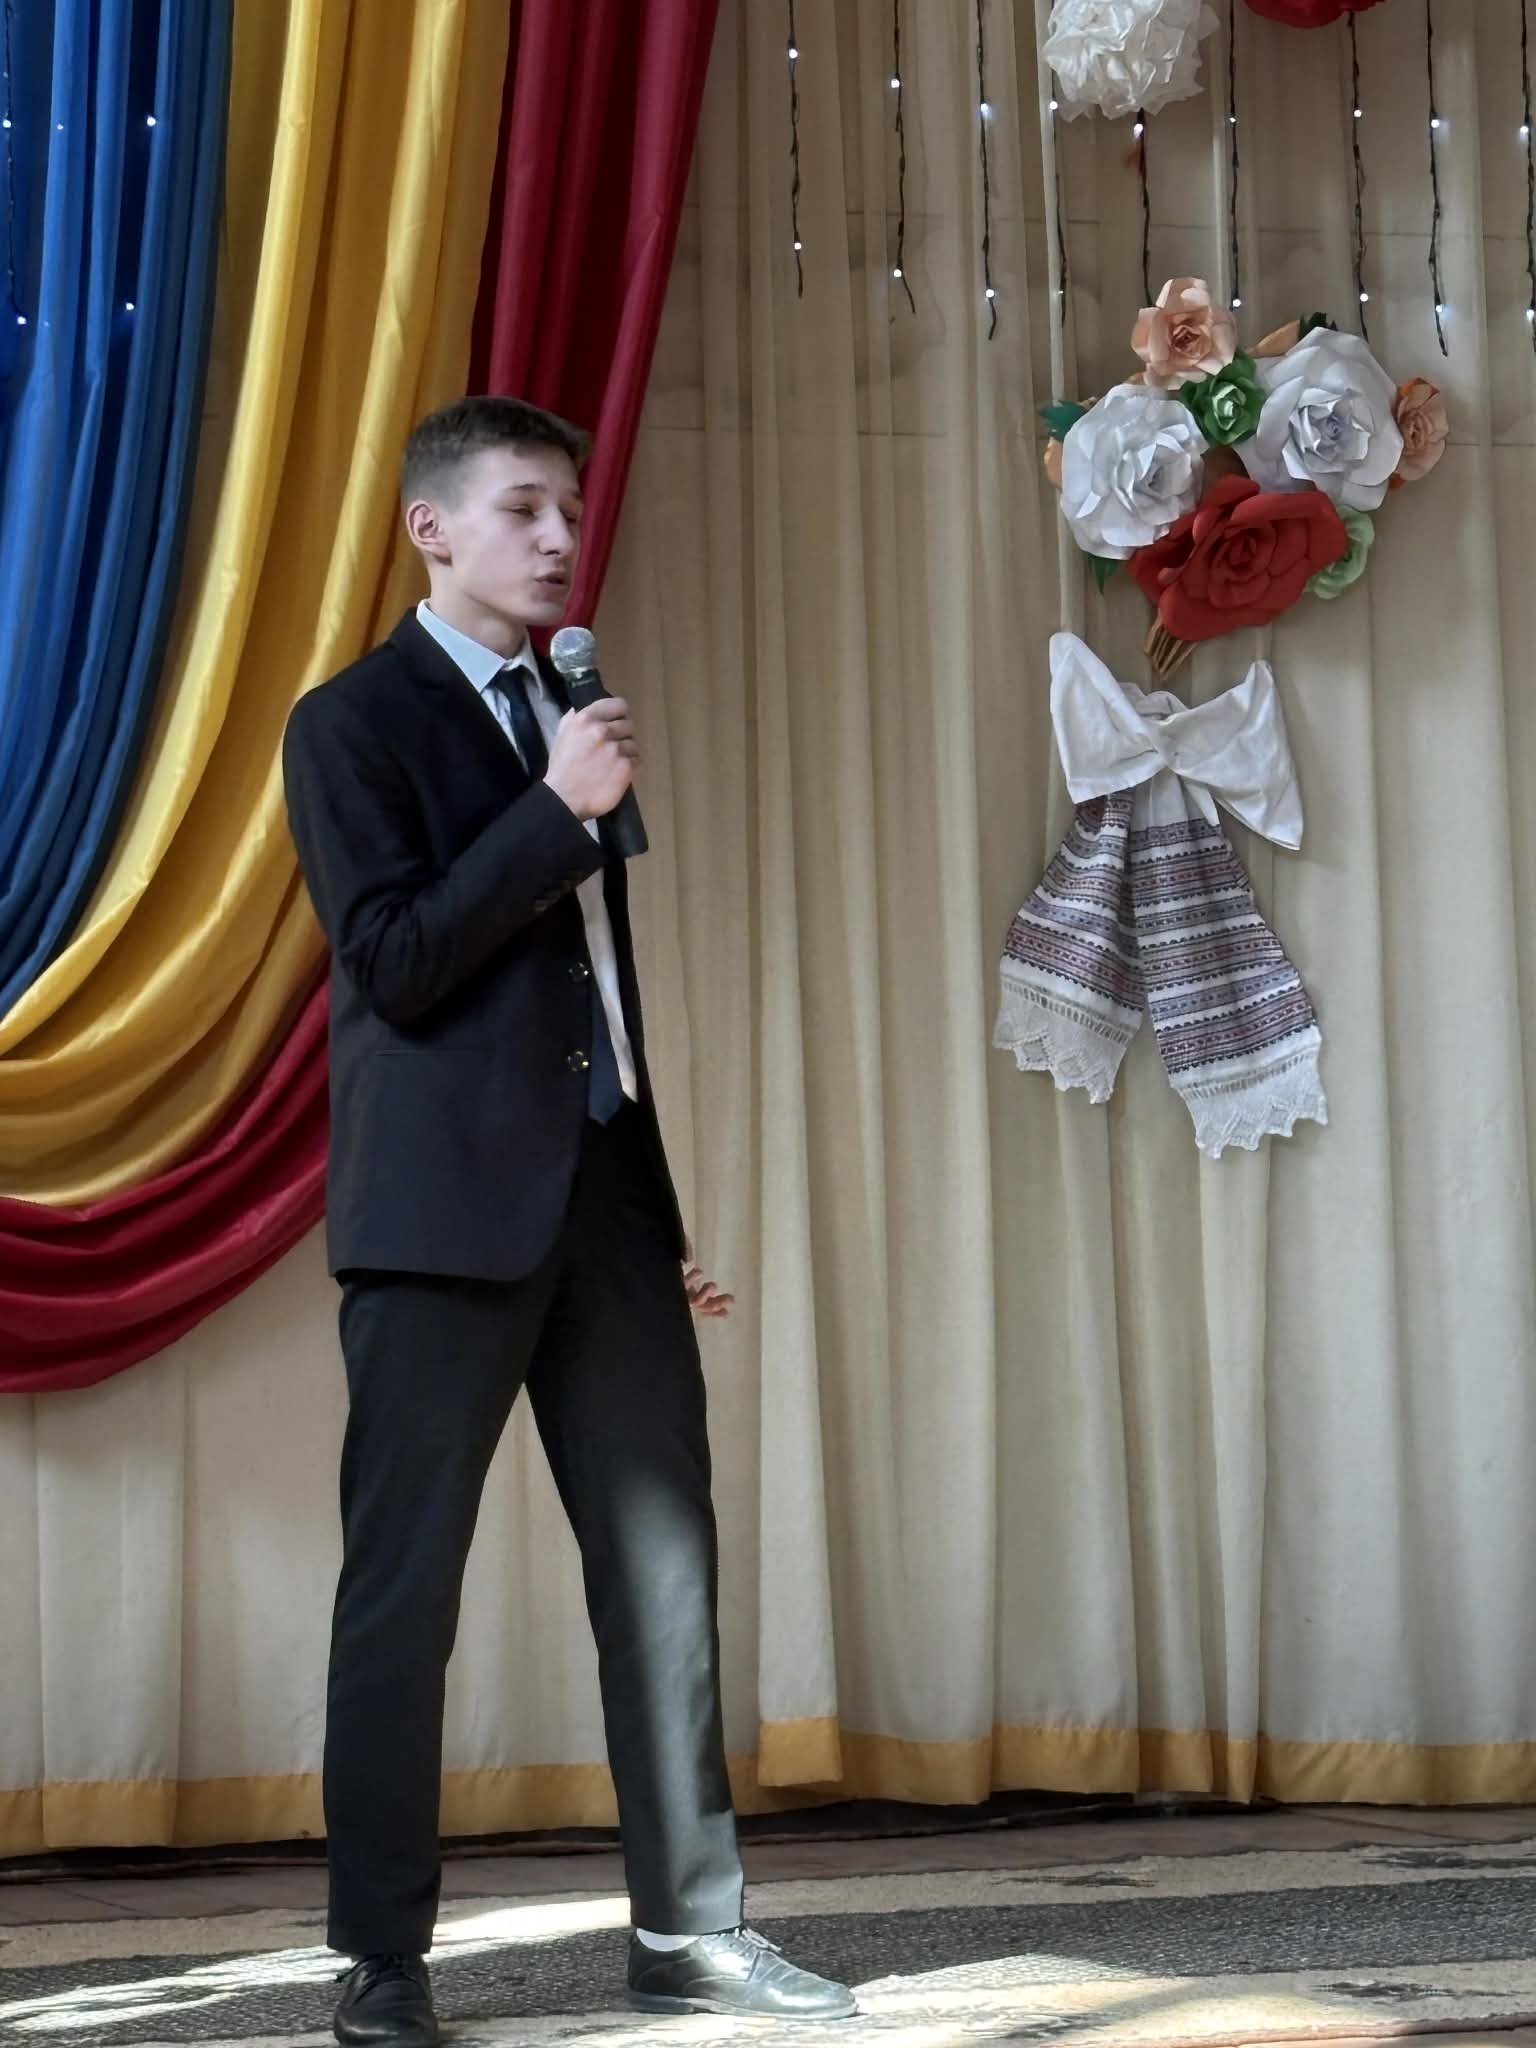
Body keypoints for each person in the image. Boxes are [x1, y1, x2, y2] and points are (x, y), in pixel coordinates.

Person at [282, 395, 855, 2048]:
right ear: (431, 529)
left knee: (666, 1573)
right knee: (404, 1593)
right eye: (522, 507)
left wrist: (650, 1207)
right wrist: (550, 809)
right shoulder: (352, 723)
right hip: (436, 1220)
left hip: (602, 1199)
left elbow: (593, 987)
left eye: (568, 508)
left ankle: (690, 1931)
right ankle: (381, 1960)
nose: (558, 537)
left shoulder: (564, 705)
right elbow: (394, 963)